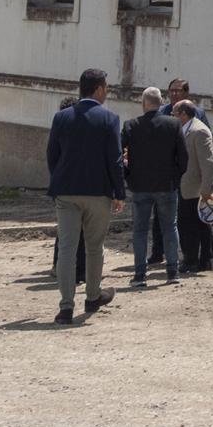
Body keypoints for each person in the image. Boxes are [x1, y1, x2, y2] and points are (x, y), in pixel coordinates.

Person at [46, 67, 126, 324]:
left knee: (67, 249)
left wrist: (59, 180)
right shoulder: (109, 119)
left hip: (66, 192)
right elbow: (114, 160)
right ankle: (92, 296)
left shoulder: (62, 118)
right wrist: (119, 192)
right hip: (97, 191)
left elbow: (52, 154)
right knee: (94, 247)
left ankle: (65, 307)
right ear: (100, 89)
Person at [121, 85, 187, 288]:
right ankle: (172, 271)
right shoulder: (174, 124)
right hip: (166, 185)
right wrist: (175, 178)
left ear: (143, 104)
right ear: (161, 103)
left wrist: (128, 177)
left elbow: (119, 154)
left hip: (140, 186)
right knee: (169, 227)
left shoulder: (131, 125)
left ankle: (140, 274)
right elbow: (183, 157)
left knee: (140, 230)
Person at [147, 78, 204, 266]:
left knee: (189, 217)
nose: (174, 94)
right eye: (171, 91)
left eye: (178, 91)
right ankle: (158, 252)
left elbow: (205, 143)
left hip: (187, 174)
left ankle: (195, 256)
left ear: (186, 93)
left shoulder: (198, 114)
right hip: (165, 172)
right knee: (160, 215)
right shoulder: (163, 112)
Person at [173, 98, 213, 273]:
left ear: (183, 114)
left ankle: (194, 260)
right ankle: (199, 259)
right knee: (196, 225)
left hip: (195, 189)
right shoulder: (185, 130)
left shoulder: (199, 131)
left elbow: (208, 163)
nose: (173, 117)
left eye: (174, 114)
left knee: (192, 226)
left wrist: (206, 190)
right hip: (187, 187)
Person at [48, 95, 88, 286]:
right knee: (76, 235)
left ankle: (59, 266)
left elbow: (51, 157)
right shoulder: (77, 130)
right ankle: (77, 271)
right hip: (79, 189)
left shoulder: (60, 125)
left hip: (61, 187)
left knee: (64, 233)